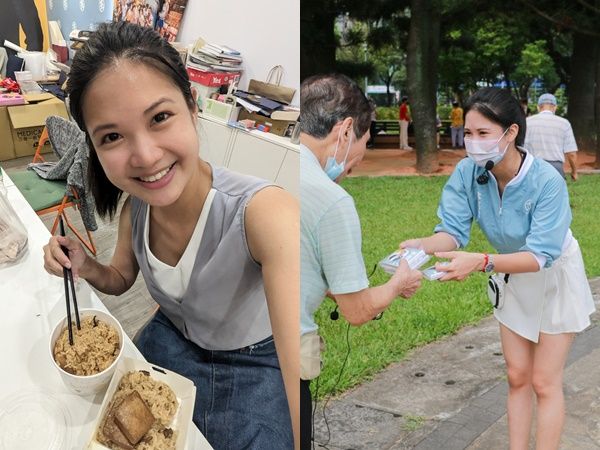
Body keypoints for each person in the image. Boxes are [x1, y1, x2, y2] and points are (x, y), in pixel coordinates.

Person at [42, 22, 298, 449]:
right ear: (95, 147)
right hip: (173, 341)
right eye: (112, 136)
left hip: (253, 366)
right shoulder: (135, 209)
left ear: (192, 105)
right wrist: (85, 266)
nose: (144, 156)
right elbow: (121, 279)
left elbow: (298, 361)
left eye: (159, 117)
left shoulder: (263, 213)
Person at [401, 87, 595, 449]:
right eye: (469, 134)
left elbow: (540, 256)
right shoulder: (467, 172)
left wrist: (482, 262)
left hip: (554, 274)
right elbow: (452, 232)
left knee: (543, 381)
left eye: (483, 134)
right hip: (510, 272)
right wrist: (422, 246)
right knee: (517, 375)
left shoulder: (547, 182)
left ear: (511, 133)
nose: (473, 143)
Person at [299, 74, 423, 450]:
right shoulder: (331, 199)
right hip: (277, 361)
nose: (358, 159)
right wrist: (398, 283)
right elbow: (357, 310)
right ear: (346, 130)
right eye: (365, 144)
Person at [525, 93, 578, 181]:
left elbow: (520, 148)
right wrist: (574, 172)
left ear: (538, 107)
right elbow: (571, 153)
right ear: (555, 107)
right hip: (555, 169)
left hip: (532, 167)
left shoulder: (527, 122)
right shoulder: (564, 123)